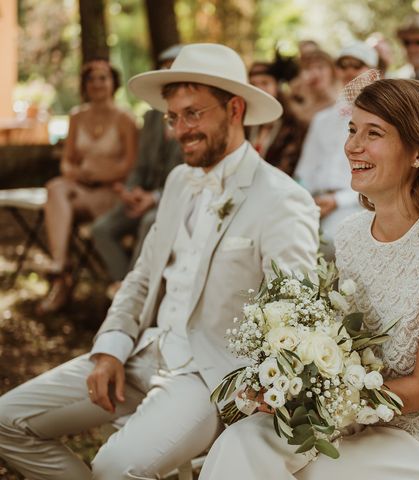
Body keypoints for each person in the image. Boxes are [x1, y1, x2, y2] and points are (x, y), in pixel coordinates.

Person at [0, 43, 319, 479]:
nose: (178, 130)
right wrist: (111, 347)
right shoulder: (177, 182)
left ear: (235, 109)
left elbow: (298, 312)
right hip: (143, 351)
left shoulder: (282, 199)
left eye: (193, 114)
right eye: (172, 117)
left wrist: (261, 383)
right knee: (6, 421)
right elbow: (141, 277)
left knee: (111, 468)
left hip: (208, 377)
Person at [200, 79, 419, 479]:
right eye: (353, 129)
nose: (353, 146)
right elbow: (338, 338)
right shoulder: (352, 234)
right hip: (352, 417)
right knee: (242, 441)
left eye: (374, 133)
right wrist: (285, 380)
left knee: (311, 475)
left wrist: (317, 398)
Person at [37, 59, 138, 315]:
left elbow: (130, 165)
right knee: (56, 188)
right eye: (91, 78)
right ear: (84, 85)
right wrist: (79, 174)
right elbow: (67, 162)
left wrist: (101, 175)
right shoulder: (77, 116)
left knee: (62, 199)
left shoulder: (125, 118)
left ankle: (62, 283)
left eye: (103, 77)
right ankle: (61, 265)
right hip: (81, 189)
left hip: (111, 192)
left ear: (113, 82)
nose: (97, 83)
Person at [91, 45, 184, 293]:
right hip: (143, 196)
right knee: (101, 229)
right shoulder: (152, 117)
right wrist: (131, 191)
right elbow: (141, 164)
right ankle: (125, 285)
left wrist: (153, 199)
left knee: (149, 222)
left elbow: (190, 176)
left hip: (176, 199)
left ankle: (136, 290)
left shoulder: (192, 119)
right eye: (164, 71)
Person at [294, 42, 378, 259]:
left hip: (356, 204)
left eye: (357, 65)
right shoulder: (322, 119)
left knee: (328, 243)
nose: (349, 71)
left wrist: (338, 200)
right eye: (343, 65)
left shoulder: (380, 121)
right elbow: (304, 172)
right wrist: (304, 201)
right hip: (316, 203)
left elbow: (379, 176)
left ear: (372, 72)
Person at [247, 54, 307, 176]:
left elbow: (288, 167)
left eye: (265, 83)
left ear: (277, 86)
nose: (259, 89)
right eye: (253, 84)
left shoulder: (294, 125)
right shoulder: (245, 123)